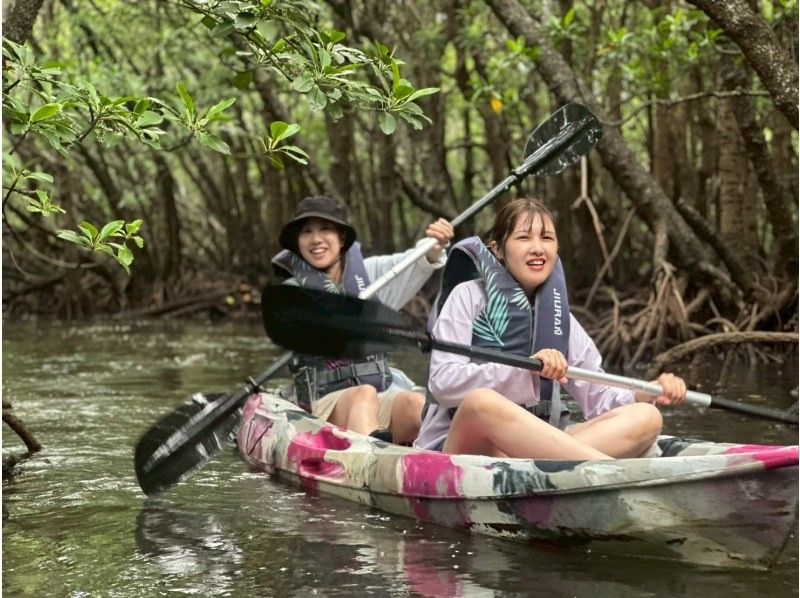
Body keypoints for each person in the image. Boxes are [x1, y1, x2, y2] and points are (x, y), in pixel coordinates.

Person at [414, 197, 687, 459]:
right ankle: (604, 469)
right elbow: (442, 384)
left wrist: (646, 392)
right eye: (524, 238)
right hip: (463, 446)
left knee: (646, 416)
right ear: (497, 249)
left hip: (529, 449)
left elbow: (598, 397)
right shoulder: (467, 296)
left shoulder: (559, 318)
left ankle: (553, 464)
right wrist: (525, 369)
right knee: (481, 403)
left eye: (547, 238)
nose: (538, 248)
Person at [272, 195, 454, 444]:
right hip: (322, 403)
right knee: (363, 395)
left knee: (414, 403)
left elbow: (417, 261)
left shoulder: (371, 274)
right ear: (298, 242)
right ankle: (371, 459)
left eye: (325, 229)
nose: (316, 239)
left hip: (381, 393)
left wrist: (434, 247)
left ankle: (444, 456)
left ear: (341, 238)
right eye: (307, 232)